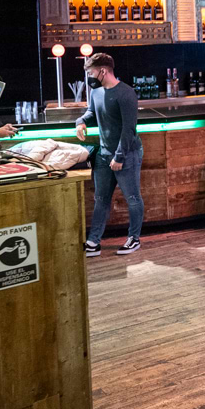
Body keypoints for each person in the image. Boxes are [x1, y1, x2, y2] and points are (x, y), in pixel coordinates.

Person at [75, 54, 143, 257]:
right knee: (100, 199)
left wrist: (119, 157)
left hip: (127, 154)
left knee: (133, 198)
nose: (89, 77)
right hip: (103, 154)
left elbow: (128, 129)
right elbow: (91, 112)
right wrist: (80, 121)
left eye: (91, 72)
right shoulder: (95, 92)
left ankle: (134, 238)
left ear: (103, 71)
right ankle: (93, 242)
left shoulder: (126, 93)